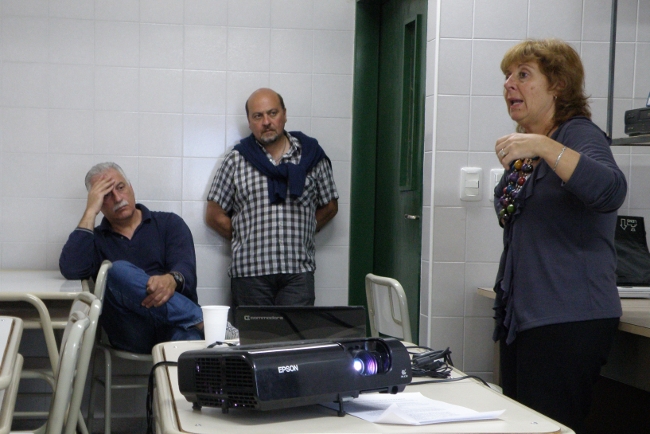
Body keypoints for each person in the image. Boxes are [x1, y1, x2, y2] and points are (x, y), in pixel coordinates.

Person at [492, 39, 627, 433]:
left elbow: (611, 191)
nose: (509, 84)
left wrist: (545, 145)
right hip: (526, 319)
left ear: (558, 85)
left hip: (568, 318)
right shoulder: (529, 150)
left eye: (523, 75)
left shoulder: (578, 134)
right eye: (507, 76)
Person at [206, 88, 338, 309]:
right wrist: (245, 236)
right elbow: (214, 214)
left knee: (296, 333)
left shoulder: (311, 155)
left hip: (298, 274)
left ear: (284, 114)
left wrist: (305, 230)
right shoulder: (236, 159)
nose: (266, 122)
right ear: (250, 122)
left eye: (272, 113)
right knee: (252, 333)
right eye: (258, 116)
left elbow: (330, 206)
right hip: (250, 275)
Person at [59, 162, 204, 353]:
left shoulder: (169, 223)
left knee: (190, 344)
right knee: (116, 270)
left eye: (120, 187)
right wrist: (90, 212)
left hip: (176, 325)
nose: (118, 198)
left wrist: (171, 279)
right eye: (106, 195)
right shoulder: (95, 240)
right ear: (98, 203)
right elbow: (71, 268)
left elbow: (185, 268)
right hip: (132, 330)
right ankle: (204, 321)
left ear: (131, 187)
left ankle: (195, 323)